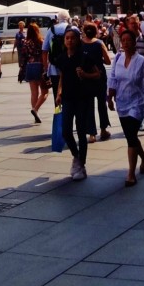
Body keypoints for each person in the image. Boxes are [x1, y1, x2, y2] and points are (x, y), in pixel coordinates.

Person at [107, 29, 144, 187]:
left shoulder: (142, 61)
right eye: (123, 40)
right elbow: (113, 78)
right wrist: (109, 98)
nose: (126, 43)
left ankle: (131, 173)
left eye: (129, 40)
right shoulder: (118, 58)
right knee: (130, 136)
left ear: (134, 42)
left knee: (131, 136)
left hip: (138, 103)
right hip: (122, 101)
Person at [55, 27, 100, 180]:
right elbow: (62, 76)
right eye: (67, 38)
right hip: (67, 97)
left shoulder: (84, 56)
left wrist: (85, 74)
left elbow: (97, 73)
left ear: (77, 39)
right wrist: (59, 92)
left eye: (72, 38)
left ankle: (81, 164)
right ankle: (77, 157)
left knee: (81, 132)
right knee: (66, 131)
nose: (69, 40)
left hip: (82, 98)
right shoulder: (62, 57)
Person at [81, 21, 111, 141]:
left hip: (86, 77)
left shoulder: (81, 44)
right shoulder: (100, 43)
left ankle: (92, 134)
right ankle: (103, 130)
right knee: (101, 104)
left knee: (89, 105)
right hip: (99, 77)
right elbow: (108, 61)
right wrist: (99, 60)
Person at [19, 22, 49, 124]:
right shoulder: (41, 41)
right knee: (45, 92)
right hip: (39, 66)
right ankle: (35, 109)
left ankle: (35, 112)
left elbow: (23, 58)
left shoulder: (25, 42)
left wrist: (21, 70)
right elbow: (45, 54)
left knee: (34, 93)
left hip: (29, 67)